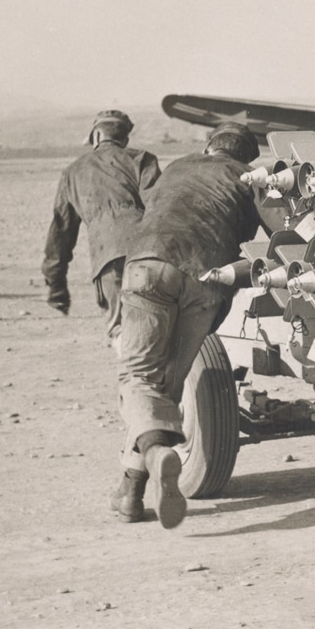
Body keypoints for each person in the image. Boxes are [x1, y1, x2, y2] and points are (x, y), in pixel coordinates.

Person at [112, 122, 261, 528]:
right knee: (168, 386)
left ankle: (158, 454)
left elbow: (150, 207)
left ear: (209, 145)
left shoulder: (179, 165)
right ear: (247, 156)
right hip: (207, 282)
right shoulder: (248, 179)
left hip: (150, 265)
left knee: (138, 378)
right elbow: (258, 239)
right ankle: (131, 490)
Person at [43, 110, 161, 344]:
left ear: (96, 136)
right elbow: (161, 208)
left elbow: (61, 233)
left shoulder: (73, 171)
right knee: (157, 325)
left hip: (109, 257)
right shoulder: (143, 159)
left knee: (121, 328)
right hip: (152, 253)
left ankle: (136, 378)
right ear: (125, 140)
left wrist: (57, 286)